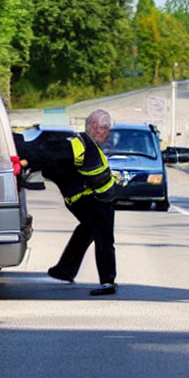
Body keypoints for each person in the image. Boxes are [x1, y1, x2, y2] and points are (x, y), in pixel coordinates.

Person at [14, 109, 118, 296]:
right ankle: (107, 282)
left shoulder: (90, 144)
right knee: (104, 238)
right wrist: (26, 161)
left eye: (108, 128)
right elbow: (52, 155)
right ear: (93, 126)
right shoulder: (82, 144)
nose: (106, 131)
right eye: (104, 127)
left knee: (88, 230)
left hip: (95, 199)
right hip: (93, 201)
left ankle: (65, 270)